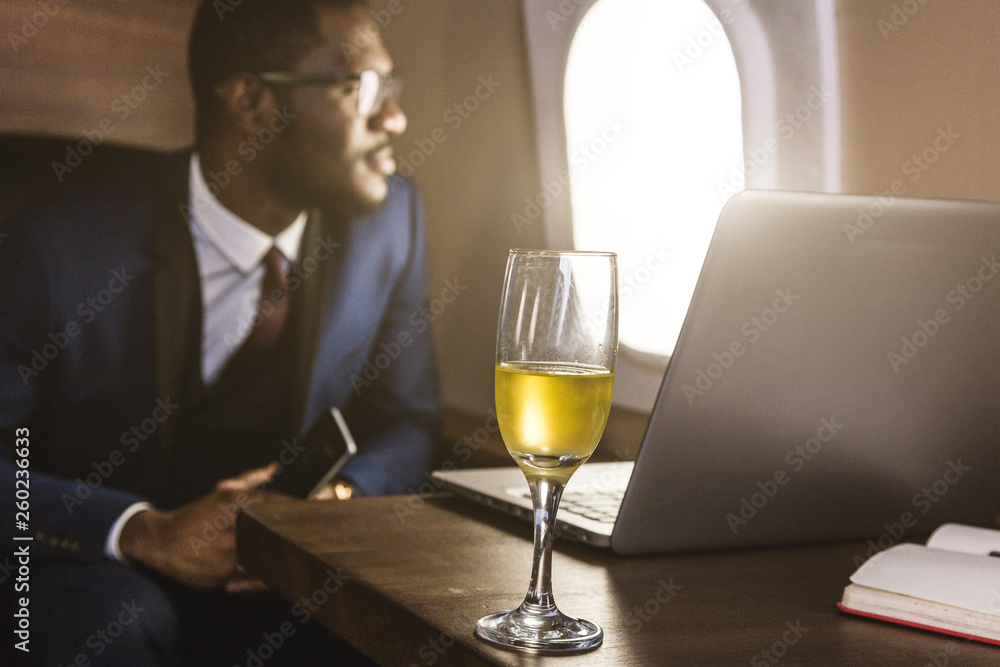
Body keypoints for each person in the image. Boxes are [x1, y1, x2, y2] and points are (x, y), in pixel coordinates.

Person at [0, 0, 440, 663]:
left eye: (393, 87)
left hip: (283, 573)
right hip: (100, 570)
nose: (396, 119)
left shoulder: (391, 222)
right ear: (253, 102)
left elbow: (408, 422)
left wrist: (332, 503)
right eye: (363, 90)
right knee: (118, 625)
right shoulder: (53, 248)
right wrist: (143, 530)